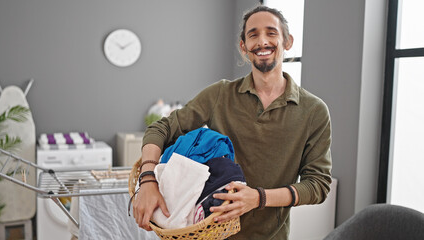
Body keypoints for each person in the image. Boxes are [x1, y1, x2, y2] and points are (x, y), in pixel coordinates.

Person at [133, 4, 332, 240]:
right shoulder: (220, 94)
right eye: (253, 35)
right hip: (209, 234)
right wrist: (147, 179)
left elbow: (318, 185)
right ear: (243, 48)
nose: (262, 41)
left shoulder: (314, 111)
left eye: (271, 32)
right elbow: (161, 128)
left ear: (287, 41)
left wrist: (258, 198)